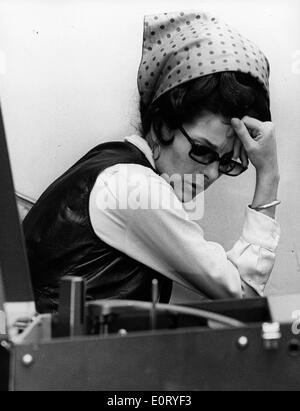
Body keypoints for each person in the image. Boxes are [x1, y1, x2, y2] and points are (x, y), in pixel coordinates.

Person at [23, 10, 280, 313]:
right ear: (163, 125)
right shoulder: (136, 187)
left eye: (226, 163)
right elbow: (243, 292)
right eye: (202, 150)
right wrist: (269, 176)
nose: (211, 173)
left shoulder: (110, 164)